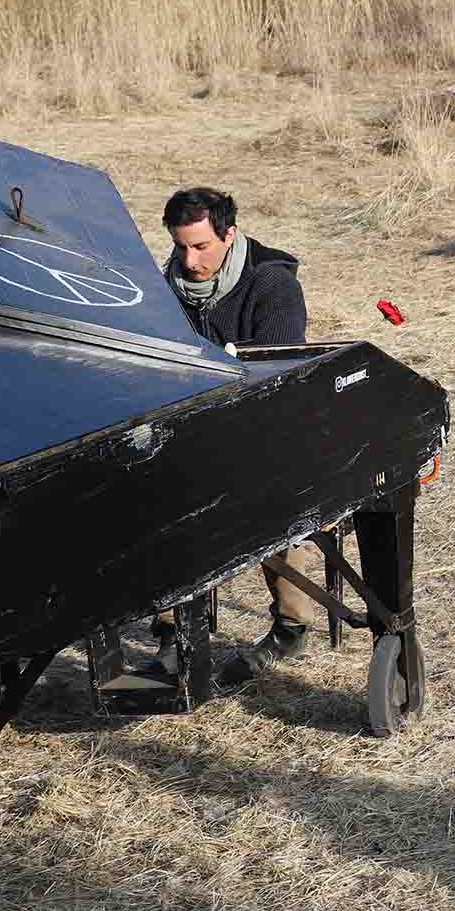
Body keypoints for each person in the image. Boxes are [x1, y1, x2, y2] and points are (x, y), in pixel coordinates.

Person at [148, 187, 326, 686]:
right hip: (192, 427)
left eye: (201, 247)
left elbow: (274, 375)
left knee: (271, 504)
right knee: (156, 501)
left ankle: (291, 626)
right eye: (181, 247)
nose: (190, 259)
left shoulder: (272, 286)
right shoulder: (165, 288)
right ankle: (173, 633)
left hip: (265, 428)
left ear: (229, 235)